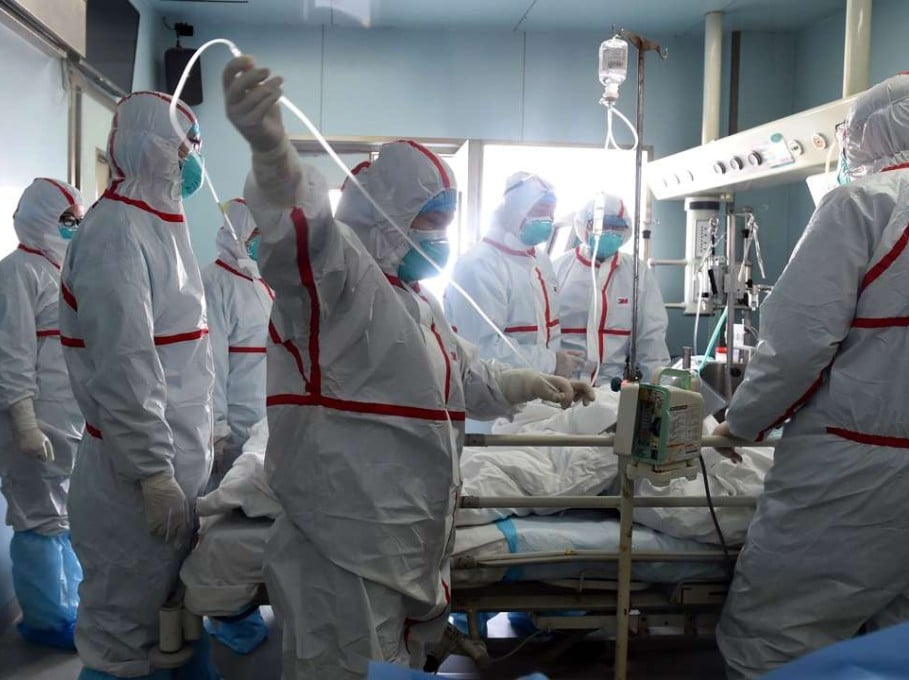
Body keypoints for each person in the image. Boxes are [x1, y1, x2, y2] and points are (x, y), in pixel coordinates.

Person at [222, 55, 595, 679]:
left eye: (448, 225)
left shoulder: (415, 301)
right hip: (342, 540)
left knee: (391, 663)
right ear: (388, 217)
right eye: (432, 224)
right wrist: (272, 152)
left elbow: (465, 372)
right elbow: (299, 236)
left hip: (401, 537)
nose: (442, 240)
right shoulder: (337, 287)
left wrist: (528, 382)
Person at [714, 71, 909, 678]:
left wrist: (739, 425)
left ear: (867, 135)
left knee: (773, 641)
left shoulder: (863, 204)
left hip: (861, 480)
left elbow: (798, 345)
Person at [60, 91, 219, 679]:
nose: (192, 159)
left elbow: (185, 358)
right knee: (121, 633)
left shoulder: (161, 225)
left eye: (194, 146)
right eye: (182, 146)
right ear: (147, 148)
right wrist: (154, 473)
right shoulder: (116, 233)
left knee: (168, 616)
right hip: (132, 480)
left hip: (174, 463)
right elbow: (126, 368)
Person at [0, 177, 85, 650]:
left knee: (64, 519)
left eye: (78, 221)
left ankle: (67, 606)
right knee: (38, 521)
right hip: (32, 422)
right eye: (65, 221)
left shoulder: (63, 271)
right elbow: (10, 353)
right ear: (38, 220)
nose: (73, 229)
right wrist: (24, 421)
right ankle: (46, 620)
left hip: (68, 422)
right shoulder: (17, 271)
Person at [199, 197, 271, 653]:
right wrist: (219, 428)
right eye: (260, 231)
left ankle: (251, 603)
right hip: (237, 423)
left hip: (268, 421)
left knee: (258, 516)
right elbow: (210, 365)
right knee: (228, 528)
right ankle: (231, 618)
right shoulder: (214, 282)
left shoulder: (263, 284)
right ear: (240, 233)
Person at [445, 172, 579, 376]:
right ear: (516, 210)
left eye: (551, 212)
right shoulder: (478, 265)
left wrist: (556, 360)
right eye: (540, 211)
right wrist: (550, 362)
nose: (548, 220)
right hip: (495, 398)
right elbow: (481, 349)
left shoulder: (540, 261)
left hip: (540, 391)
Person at [552, 194, 670, 386]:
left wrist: (656, 393)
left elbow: (652, 342)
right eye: (600, 225)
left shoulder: (637, 274)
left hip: (611, 390)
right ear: (584, 227)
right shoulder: (558, 269)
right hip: (562, 385)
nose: (608, 232)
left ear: (626, 230)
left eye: (616, 226)